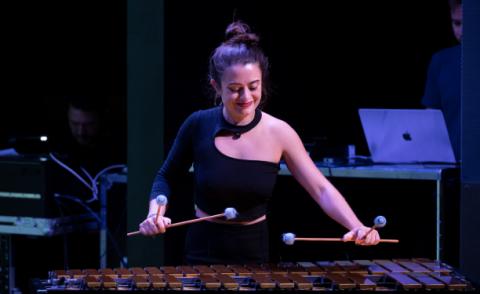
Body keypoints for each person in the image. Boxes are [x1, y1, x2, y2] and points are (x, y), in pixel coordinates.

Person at [138, 21, 380, 264]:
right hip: (203, 250)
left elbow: (321, 189)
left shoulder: (280, 132)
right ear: (216, 86)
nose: (246, 97)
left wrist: (357, 226)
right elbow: (166, 177)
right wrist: (154, 214)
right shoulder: (197, 124)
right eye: (234, 89)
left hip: (254, 252)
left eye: (253, 87)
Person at [422, 0, 462, 161]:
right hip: (453, 168)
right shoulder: (441, 61)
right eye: (457, 23)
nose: (462, 31)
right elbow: (430, 118)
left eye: (469, 23)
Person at [50, 95, 126, 176]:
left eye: (89, 125)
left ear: (101, 120)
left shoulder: (118, 149)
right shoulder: (58, 152)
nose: (81, 132)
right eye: (75, 124)